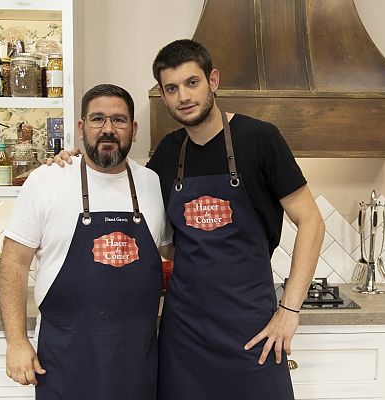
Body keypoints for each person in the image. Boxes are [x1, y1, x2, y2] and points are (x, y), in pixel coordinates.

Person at [49, 39, 325, 400]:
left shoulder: (259, 139)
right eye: (172, 88)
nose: (183, 96)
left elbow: (312, 222)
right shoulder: (168, 152)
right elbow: (120, 183)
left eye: (191, 83)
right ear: (163, 96)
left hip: (252, 325)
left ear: (213, 80)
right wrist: (72, 162)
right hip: (185, 333)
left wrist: (289, 310)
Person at [0, 84, 169, 400]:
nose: (108, 129)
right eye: (97, 119)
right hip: (65, 362)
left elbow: (169, 252)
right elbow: (13, 263)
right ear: (81, 127)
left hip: (137, 364)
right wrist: (16, 341)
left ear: (133, 129)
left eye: (118, 120)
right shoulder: (46, 180)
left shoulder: (151, 182)